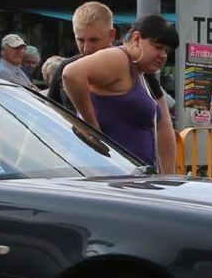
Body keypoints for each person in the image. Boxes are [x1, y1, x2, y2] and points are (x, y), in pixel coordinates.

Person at [62, 13, 179, 174]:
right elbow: (72, 74)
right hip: (110, 180)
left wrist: (167, 177)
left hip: (136, 179)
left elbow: (164, 126)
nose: (163, 55)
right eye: (158, 47)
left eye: (167, 51)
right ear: (136, 39)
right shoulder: (119, 58)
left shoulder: (142, 73)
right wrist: (91, 128)